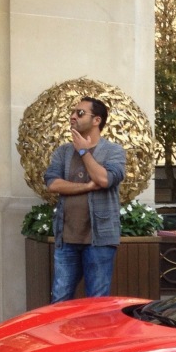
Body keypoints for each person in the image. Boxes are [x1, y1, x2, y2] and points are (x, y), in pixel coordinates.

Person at [44, 96, 127, 301]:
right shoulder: (63, 152)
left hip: (99, 239)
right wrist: (87, 186)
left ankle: (93, 335)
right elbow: (52, 184)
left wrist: (83, 150)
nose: (73, 116)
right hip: (67, 239)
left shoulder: (113, 151)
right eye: (72, 112)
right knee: (59, 300)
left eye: (80, 113)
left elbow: (105, 179)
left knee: (96, 302)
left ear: (96, 120)